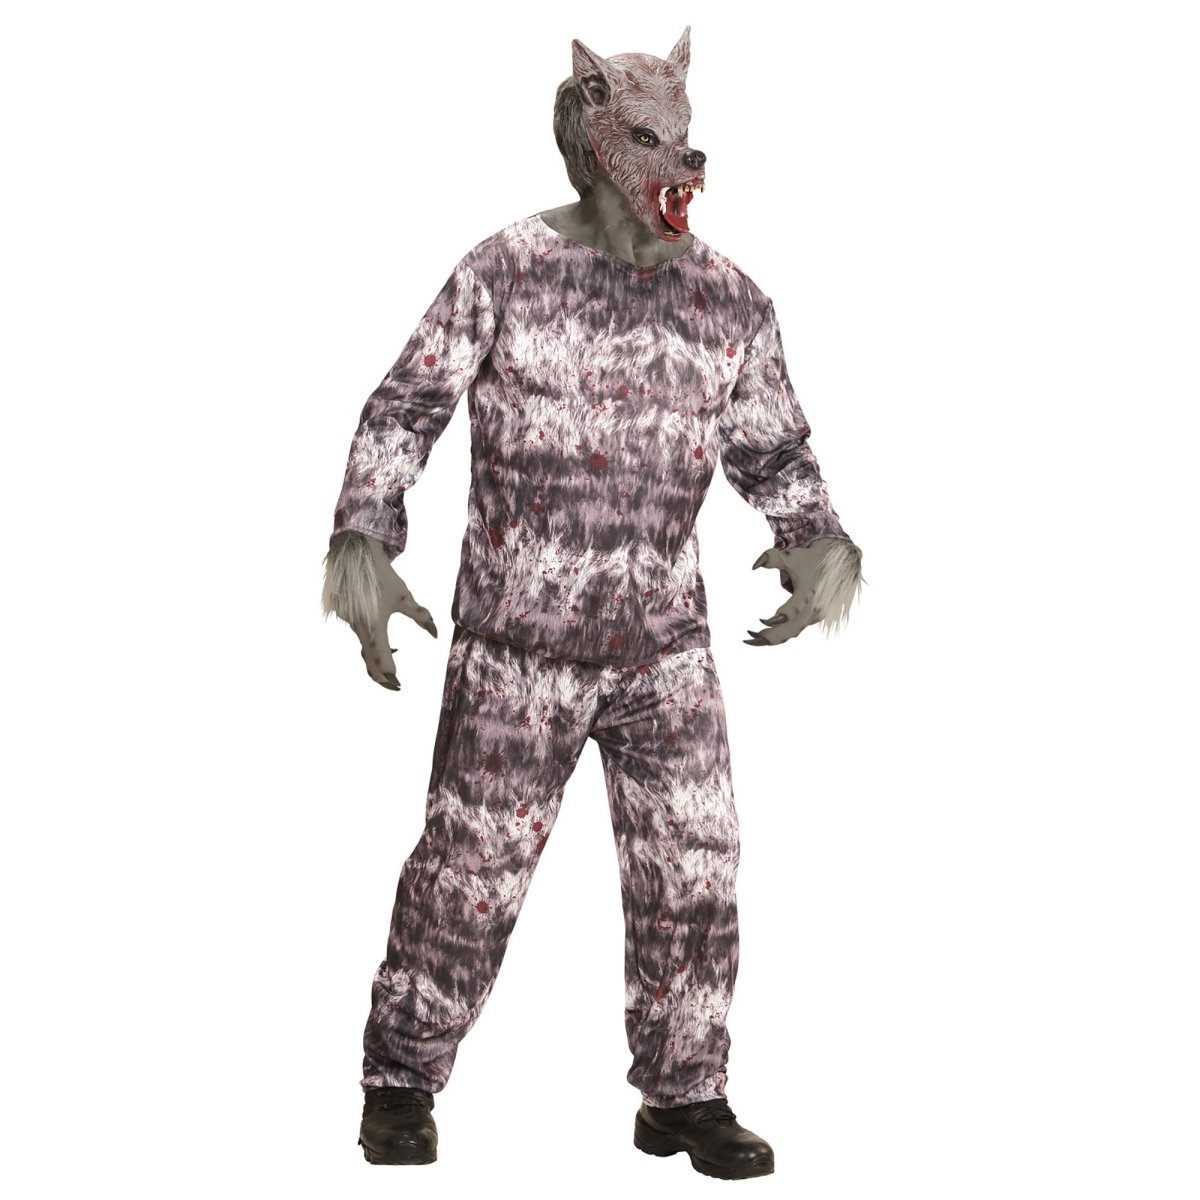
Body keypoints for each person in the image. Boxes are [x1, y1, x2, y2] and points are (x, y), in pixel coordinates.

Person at [322, 26, 863, 1180]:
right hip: (518, 648)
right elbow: (405, 406)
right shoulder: (508, 271)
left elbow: (774, 447)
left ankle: (685, 1093)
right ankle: (399, 1079)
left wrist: (817, 541)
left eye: (687, 140)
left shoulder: (729, 302)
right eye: (651, 140)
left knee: (696, 869)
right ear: (592, 137)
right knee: (469, 873)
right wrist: (364, 537)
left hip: (664, 647)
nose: (684, 162)